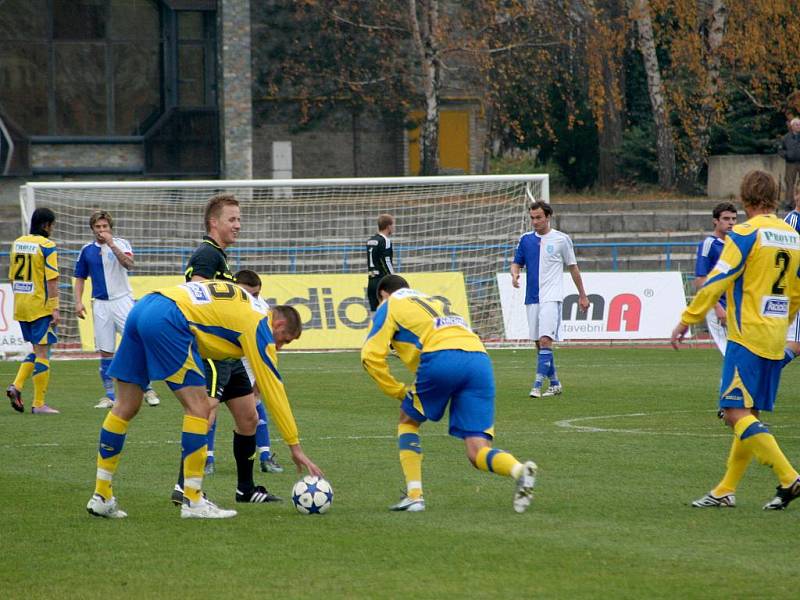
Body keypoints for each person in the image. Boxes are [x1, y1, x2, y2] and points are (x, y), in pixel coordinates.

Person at [86, 280, 322, 519]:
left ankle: (102, 496)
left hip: (145, 305)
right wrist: (294, 446)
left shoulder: (248, 307)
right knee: (199, 409)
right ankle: (193, 499)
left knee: (124, 406)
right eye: (283, 339)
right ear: (278, 323)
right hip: (170, 318)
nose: (279, 346)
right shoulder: (260, 324)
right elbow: (274, 389)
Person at [671, 170, 800, 511]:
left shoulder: (744, 234)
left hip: (746, 336)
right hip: (775, 337)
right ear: (775, 196)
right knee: (748, 414)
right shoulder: (793, 235)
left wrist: (689, 318)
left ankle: (789, 476)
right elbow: (798, 291)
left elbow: (717, 278)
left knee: (733, 411)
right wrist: (782, 322)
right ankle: (725, 489)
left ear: (745, 199)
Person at [361, 274, 538, 513]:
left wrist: (398, 391)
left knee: (408, 420)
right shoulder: (436, 301)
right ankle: (519, 470)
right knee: (477, 451)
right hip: (479, 359)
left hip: (442, 356)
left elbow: (370, 356)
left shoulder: (389, 304)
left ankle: (415, 495)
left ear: (383, 293)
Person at [169, 194, 283, 505]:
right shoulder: (206, 255)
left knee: (248, 418)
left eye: (239, 219)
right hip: (212, 354)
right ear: (213, 223)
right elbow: (197, 298)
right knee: (202, 413)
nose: (238, 224)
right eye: (232, 219)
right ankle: (184, 485)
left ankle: (245, 489)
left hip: (229, 357)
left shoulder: (219, 256)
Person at [73, 210, 160, 409]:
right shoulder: (86, 250)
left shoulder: (122, 244)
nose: (101, 230)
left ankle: (148, 388)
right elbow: (80, 278)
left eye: (105, 226)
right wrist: (78, 301)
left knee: (138, 342)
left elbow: (129, 265)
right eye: (98, 227)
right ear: (92, 229)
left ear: (110, 227)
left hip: (123, 301)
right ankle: (110, 396)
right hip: (101, 305)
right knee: (105, 352)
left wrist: (112, 244)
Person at [510, 201, 589, 398]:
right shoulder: (525, 239)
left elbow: (573, 267)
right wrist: (514, 275)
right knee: (539, 343)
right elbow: (516, 263)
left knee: (546, 340)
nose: (535, 221)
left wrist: (582, 295)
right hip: (532, 298)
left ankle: (536, 385)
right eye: (532, 218)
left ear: (548, 217)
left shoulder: (562, 240)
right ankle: (554, 383)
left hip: (552, 297)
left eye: (538, 217)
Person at [6, 207, 60, 415]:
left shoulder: (18, 242)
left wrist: (22, 297)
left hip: (21, 305)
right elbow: (52, 279)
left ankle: (17, 386)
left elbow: (12, 277)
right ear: (46, 225)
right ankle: (39, 404)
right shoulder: (47, 246)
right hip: (40, 306)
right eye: (52, 225)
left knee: (37, 350)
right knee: (43, 353)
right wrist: (54, 307)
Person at [233, 269, 283, 474]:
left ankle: (265, 456)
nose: (252, 299)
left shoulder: (262, 309)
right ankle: (207, 459)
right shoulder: (224, 303)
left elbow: (268, 344)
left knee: (255, 402)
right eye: (247, 294)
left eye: (255, 295)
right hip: (223, 357)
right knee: (209, 408)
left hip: (249, 357)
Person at [692, 202, 738, 355]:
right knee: (731, 354)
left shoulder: (736, 243)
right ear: (715, 221)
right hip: (719, 307)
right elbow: (700, 279)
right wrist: (717, 307)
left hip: (737, 305)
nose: (730, 222)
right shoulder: (709, 244)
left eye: (733, 219)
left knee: (743, 355)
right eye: (726, 218)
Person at [366, 214, 396, 313]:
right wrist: (393, 278)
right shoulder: (385, 241)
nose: (394, 228)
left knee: (374, 314)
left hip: (371, 281)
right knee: (386, 313)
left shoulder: (371, 240)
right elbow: (386, 261)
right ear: (388, 227)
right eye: (393, 225)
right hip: (382, 282)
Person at [778, 118, 800, 210]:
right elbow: (780, 150)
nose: (799, 127)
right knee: (789, 183)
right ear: (792, 126)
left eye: (799, 125)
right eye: (797, 125)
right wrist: (787, 155)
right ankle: (789, 203)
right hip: (790, 163)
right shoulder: (786, 138)